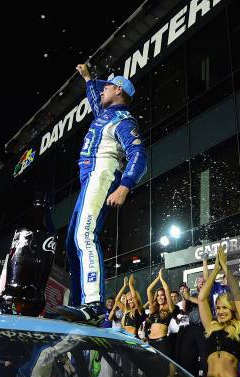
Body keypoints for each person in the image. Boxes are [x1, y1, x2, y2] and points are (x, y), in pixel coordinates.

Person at [59, 64, 147, 322]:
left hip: (103, 174)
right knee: (71, 242)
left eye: (107, 87)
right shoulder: (104, 114)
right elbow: (95, 95)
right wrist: (88, 79)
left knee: (84, 234)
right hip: (89, 180)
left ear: (118, 90)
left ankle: (94, 305)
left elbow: (139, 154)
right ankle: (78, 303)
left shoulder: (123, 120)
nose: (101, 91)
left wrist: (125, 185)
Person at [198, 247, 240, 377]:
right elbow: (201, 299)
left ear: (233, 309)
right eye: (218, 308)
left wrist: (225, 268)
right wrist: (215, 269)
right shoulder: (211, 327)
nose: (220, 311)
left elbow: (237, 295)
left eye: (225, 307)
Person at [177, 278, 208, 377]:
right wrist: (185, 296)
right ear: (196, 284)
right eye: (199, 281)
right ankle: (191, 376)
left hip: (203, 327)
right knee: (189, 352)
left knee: (204, 353)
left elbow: (201, 301)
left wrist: (188, 297)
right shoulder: (192, 295)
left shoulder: (209, 294)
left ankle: (206, 376)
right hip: (192, 327)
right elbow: (185, 309)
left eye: (203, 281)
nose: (201, 283)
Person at [145, 269, 176, 357]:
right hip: (150, 342)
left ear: (166, 296)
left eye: (162, 295)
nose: (160, 297)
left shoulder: (170, 308)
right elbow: (148, 290)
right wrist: (158, 278)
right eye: (158, 295)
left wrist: (161, 278)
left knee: (164, 369)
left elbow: (166, 289)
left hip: (162, 342)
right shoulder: (153, 309)